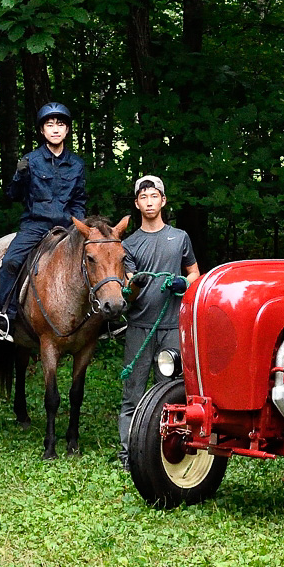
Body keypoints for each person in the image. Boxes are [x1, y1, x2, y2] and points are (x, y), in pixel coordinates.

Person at [114, 175, 200, 465]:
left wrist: (182, 283)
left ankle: (164, 451)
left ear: (163, 201)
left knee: (169, 392)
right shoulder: (130, 244)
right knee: (133, 393)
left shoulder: (180, 238)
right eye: (143, 197)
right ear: (137, 204)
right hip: (140, 327)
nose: (149, 202)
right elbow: (129, 293)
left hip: (172, 328)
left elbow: (195, 274)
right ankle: (129, 454)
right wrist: (135, 284)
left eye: (154, 196)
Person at [0, 102, 88, 340]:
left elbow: (79, 199)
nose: (55, 129)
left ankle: (104, 321)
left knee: (97, 257)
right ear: (42, 131)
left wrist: (80, 227)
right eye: (49, 125)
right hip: (36, 225)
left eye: (60, 125)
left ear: (67, 130)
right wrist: (19, 176)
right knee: (10, 262)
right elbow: (13, 196)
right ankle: (4, 317)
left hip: (68, 226)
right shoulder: (30, 160)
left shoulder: (77, 164)